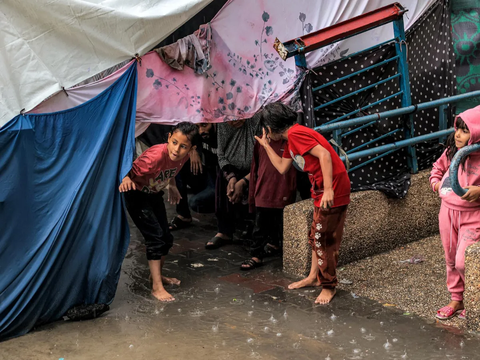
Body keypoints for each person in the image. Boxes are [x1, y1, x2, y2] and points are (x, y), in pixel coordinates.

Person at [255, 102, 351, 304]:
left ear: (270, 129)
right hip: (321, 190)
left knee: (323, 239)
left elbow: (324, 155)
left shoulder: (296, 135)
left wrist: (329, 190)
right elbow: (282, 167)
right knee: (316, 233)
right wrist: (265, 146)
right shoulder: (292, 139)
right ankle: (313, 277)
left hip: (330, 189)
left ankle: (328, 285)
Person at [119, 122, 201, 302]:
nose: (176, 150)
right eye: (174, 143)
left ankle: (155, 277)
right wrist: (124, 178)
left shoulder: (183, 157)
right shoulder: (154, 157)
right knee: (155, 238)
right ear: (169, 137)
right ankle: (157, 287)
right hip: (137, 194)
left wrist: (172, 185)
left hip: (154, 193)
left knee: (166, 238)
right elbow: (125, 167)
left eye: (183, 146)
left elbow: (171, 168)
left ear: (191, 149)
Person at [429, 106, 480, 320]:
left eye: (465, 131)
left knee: (463, 261)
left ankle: (473, 297)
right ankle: (457, 299)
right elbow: (437, 168)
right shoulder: (451, 150)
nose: (457, 134)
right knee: (450, 258)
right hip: (447, 213)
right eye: (457, 129)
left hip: (473, 216)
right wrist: (436, 183)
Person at [240, 138, 297, 270]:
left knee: (282, 224)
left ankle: (276, 246)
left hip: (284, 190)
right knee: (260, 225)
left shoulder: (290, 142)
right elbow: (255, 168)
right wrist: (253, 195)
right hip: (264, 190)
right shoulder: (261, 142)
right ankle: (256, 255)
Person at [205, 116, 261, 249]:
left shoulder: (256, 120)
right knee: (221, 180)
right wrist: (231, 177)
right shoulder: (223, 123)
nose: (236, 120)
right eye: (232, 117)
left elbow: (263, 159)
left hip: (255, 168)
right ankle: (224, 231)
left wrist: (243, 181)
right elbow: (221, 155)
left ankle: (254, 228)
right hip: (232, 169)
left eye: (240, 115)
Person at [169, 123, 218, 231]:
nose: (201, 131)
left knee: (196, 203)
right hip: (206, 176)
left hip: (221, 180)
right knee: (179, 164)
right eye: (198, 127)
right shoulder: (198, 134)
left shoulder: (221, 132)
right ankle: (183, 215)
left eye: (204, 125)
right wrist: (192, 150)